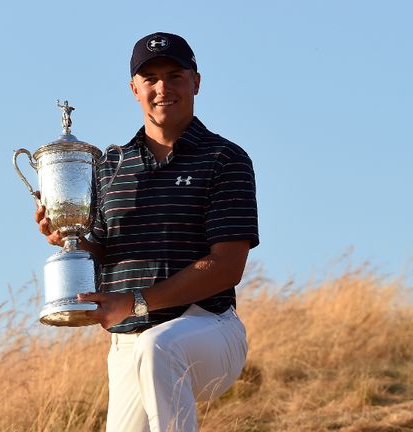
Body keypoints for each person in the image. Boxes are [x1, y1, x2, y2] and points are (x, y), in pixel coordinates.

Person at [34, 32, 259, 432]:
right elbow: (102, 252)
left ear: (196, 82)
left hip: (208, 328)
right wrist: (68, 240)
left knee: (160, 347)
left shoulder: (225, 158)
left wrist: (137, 302)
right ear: (134, 88)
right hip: (128, 341)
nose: (162, 88)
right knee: (149, 351)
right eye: (150, 78)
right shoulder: (109, 166)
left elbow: (227, 266)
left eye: (174, 75)